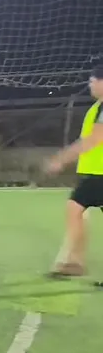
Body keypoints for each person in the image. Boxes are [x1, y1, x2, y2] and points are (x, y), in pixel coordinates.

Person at [43, 64, 103, 278]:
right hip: (96, 172)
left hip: (100, 173)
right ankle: (76, 262)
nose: (90, 85)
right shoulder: (98, 107)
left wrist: (61, 159)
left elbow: (95, 139)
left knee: (75, 208)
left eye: (92, 81)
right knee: (77, 210)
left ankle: (75, 262)